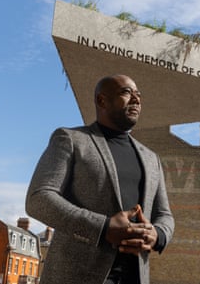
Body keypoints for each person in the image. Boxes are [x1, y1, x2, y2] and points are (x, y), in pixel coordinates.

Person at [25, 74, 174, 284]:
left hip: (135, 277)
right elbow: (39, 198)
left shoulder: (151, 158)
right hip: (76, 276)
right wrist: (103, 228)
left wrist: (158, 235)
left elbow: (164, 214)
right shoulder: (70, 140)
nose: (136, 100)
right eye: (126, 92)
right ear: (102, 100)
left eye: (139, 95)